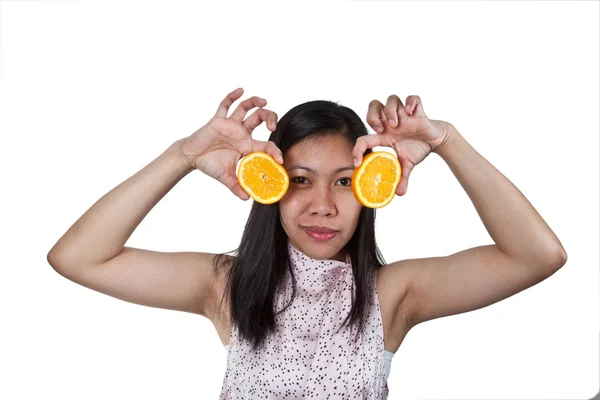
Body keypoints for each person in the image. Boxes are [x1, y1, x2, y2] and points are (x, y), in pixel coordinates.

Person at [47, 87, 568, 399]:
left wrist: (445, 141)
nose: (323, 204)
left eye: (344, 181)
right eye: (300, 179)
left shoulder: (393, 294)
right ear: (269, 187)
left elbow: (537, 255)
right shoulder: (226, 287)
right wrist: (183, 155)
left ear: (371, 187)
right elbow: (78, 257)